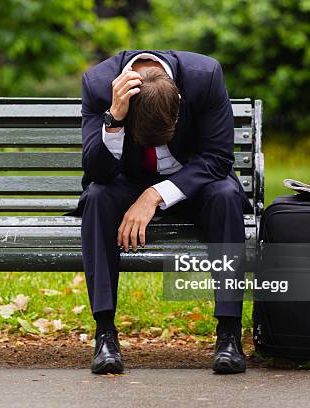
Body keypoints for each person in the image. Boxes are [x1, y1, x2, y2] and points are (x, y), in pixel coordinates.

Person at [76, 50, 251, 374]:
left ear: (180, 100)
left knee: (226, 195)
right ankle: (105, 335)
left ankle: (229, 334)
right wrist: (114, 119)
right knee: (97, 198)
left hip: (195, 179)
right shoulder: (99, 84)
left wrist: (154, 195)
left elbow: (217, 158)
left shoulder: (205, 76)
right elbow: (96, 171)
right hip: (126, 180)